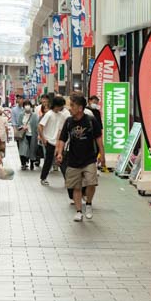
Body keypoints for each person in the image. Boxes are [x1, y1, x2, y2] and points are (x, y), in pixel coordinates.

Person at [58, 93, 103, 222]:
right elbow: (62, 139)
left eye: (72, 105)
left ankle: (88, 203)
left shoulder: (90, 120)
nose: (69, 108)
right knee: (76, 187)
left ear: (80, 108)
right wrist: (60, 153)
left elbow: (98, 138)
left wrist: (102, 155)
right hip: (73, 159)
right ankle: (78, 211)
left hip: (89, 158)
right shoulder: (69, 121)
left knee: (91, 182)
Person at [38, 94, 66, 186]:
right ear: (56, 105)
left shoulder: (61, 115)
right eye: (60, 106)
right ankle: (43, 178)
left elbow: (61, 128)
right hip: (49, 141)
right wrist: (43, 138)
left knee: (62, 161)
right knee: (48, 161)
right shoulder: (49, 114)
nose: (61, 108)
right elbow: (40, 126)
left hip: (58, 141)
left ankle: (67, 179)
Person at [15, 98, 39, 170]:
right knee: (23, 149)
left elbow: (37, 125)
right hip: (23, 135)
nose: (27, 106)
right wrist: (22, 127)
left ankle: (31, 163)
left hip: (32, 135)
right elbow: (18, 125)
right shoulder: (21, 115)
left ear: (31, 106)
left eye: (28, 104)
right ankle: (24, 163)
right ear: (23, 106)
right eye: (25, 105)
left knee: (32, 149)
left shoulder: (34, 115)